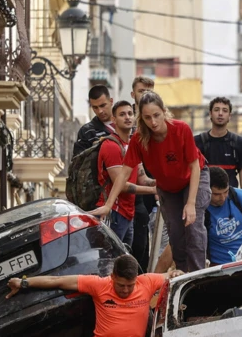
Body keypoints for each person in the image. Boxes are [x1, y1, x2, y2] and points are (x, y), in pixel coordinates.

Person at [6, 254, 182, 337]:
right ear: (112, 276)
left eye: (130, 285)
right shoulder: (99, 285)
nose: (125, 290)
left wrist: (176, 273)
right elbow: (57, 281)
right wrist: (23, 283)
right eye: (121, 285)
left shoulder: (146, 282)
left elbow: (172, 275)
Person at [114, 91, 211, 272]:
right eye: (147, 117)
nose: (153, 122)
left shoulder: (181, 129)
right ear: (141, 119)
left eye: (156, 115)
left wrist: (190, 203)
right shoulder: (139, 139)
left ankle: (198, 273)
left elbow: (195, 166)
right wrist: (108, 205)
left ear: (164, 111)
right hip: (168, 187)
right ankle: (183, 273)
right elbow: (123, 173)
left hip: (193, 177)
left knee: (192, 225)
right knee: (175, 233)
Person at [89, 100, 147, 247]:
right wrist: (154, 190)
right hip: (113, 213)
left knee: (124, 258)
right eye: (122, 114)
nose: (127, 117)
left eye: (130, 113)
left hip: (128, 213)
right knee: (109, 256)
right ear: (114, 120)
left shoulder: (133, 145)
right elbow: (121, 185)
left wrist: (163, 183)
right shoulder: (111, 146)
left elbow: (143, 179)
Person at [203, 167, 242, 265]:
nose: (223, 198)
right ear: (207, 190)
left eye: (226, 192)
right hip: (220, 266)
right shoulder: (201, 209)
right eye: (217, 194)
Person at [130, 76, 157, 271]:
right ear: (133, 94)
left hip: (153, 189)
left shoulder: (158, 120)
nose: (146, 95)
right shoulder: (126, 117)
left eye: (150, 91)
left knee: (152, 244)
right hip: (131, 192)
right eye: (141, 91)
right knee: (135, 245)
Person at [195, 97, 242, 189]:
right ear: (210, 114)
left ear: (229, 116)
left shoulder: (238, 142)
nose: (220, 113)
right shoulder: (197, 141)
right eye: (216, 110)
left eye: (225, 110)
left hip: (230, 195)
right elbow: (192, 173)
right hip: (205, 196)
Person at [72, 85, 117, 160]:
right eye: (95, 107)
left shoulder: (125, 123)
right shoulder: (86, 131)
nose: (100, 111)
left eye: (102, 105)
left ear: (111, 101)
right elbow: (77, 162)